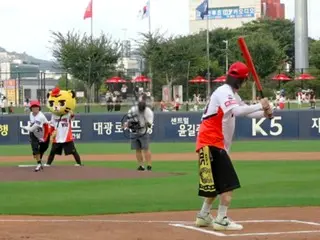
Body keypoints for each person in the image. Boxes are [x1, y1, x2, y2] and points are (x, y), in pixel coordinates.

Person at [195, 62, 273, 231]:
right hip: (213, 142)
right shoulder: (224, 92)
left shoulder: (231, 94)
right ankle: (222, 218)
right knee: (228, 183)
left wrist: (265, 113)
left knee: (216, 183)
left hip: (210, 142)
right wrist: (261, 105)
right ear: (243, 80)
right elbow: (237, 112)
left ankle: (203, 215)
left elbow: (246, 111)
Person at [20, 100, 51, 172]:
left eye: (36, 107)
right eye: (33, 107)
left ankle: (37, 156)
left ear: (39, 107)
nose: (35, 108)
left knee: (44, 148)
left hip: (44, 133)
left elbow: (31, 129)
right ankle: (39, 163)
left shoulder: (40, 116)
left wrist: (25, 127)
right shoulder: (31, 114)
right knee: (35, 147)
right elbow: (32, 125)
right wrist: (29, 126)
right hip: (35, 133)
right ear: (31, 108)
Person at [124, 97, 154, 171]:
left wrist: (145, 123)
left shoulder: (148, 112)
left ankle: (149, 166)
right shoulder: (133, 110)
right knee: (137, 149)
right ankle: (141, 166)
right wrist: (129, 124)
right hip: (134, 132)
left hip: (143, 132)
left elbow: (150, 124)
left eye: (142, 109)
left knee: (146, 149)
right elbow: (128, 119)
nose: (141, 110)